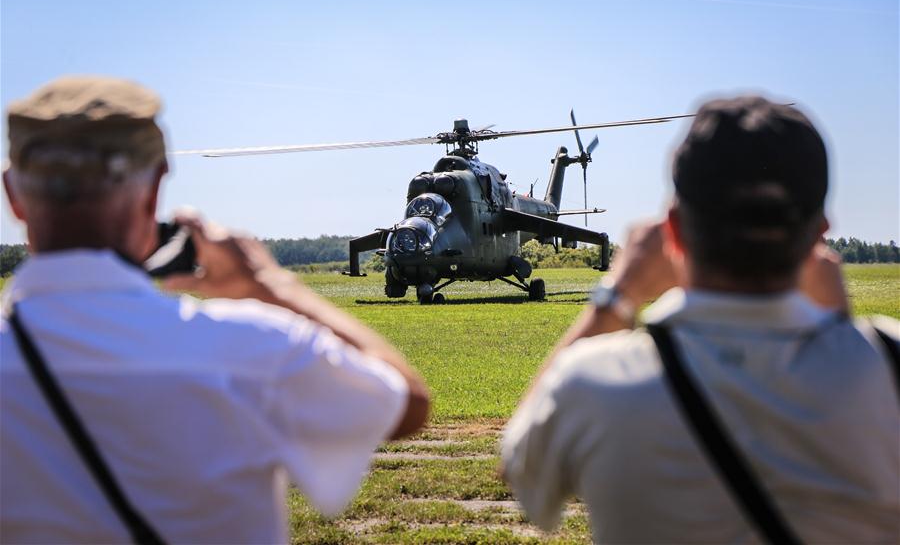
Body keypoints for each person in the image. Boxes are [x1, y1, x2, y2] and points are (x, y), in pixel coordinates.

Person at [0, 75, 430, 543]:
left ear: (14, 195)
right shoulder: (254, 347)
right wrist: (271, 286)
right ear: (154, 186)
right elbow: (405, 404)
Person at [501, 96, 899, 543]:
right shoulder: (889, 364)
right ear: (820, 232)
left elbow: (520, 470)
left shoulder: (593, 382)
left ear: (671, 229)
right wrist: (838, 325)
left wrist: (617, 297)